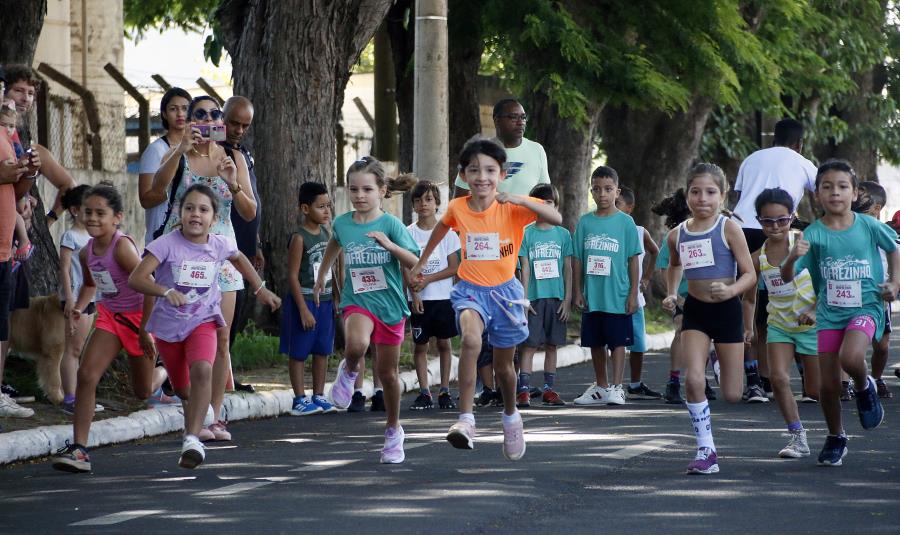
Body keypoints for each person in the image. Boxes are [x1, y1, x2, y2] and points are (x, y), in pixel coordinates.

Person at [411, 138, 562, 460]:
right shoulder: (457, 208)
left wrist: (520, 200)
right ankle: (466, 420)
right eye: (474, 170)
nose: (482, 177)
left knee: (506, 369)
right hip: (470, 290)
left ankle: (511, 416)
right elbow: (441, 230)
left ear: (502, 174)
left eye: (490, 170)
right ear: (463, 175)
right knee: (469, 339)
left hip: (506, 293)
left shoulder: (514, 206)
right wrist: (422, 262)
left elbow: (556, 217)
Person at [129, 184, 279, 468]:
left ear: (213, 218)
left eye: (203, 210)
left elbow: (239, 259)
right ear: (181, 213)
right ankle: (194, 414)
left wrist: (261, 290)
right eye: (189, 208)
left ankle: (192, 439)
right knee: (184, 389)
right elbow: (136, 278)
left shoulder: (219, 243)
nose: (195, 214)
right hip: (170, 328)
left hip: (204, 320)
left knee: (203, 369)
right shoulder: (166, 244)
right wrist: (164, 291)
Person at [152, 95, 256, 441]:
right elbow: (153, 192)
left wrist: (232, 181)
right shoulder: (178, 153)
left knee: (220, 335)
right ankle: (190, 412)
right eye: (201, 115)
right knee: (179, 332)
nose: (208, 121)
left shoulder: (233, 157)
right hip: (179, 253)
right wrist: (180, 151)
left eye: (214, 115)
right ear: (189, 120)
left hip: (220, 252)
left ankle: (213, 416)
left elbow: (249, 211)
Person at [781, 160, 899, 466]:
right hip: (830, 313)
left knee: (851, 357)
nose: (835, 192)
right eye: (827, 187)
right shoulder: (814, 234)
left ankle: (863, 385)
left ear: (855, 192)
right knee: (828, 386)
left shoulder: (869, 225)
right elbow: (786, 277)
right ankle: (836, 437)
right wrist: (793, 257)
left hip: (867, 306)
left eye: (842, 186)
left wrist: (894, 283)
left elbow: (894, 249)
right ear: (817, 194)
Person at [314, 157, 419, 462]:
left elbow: (414, 261)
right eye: (354, 189)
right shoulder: (343, 223)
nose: (360, 196)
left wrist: (390, 246)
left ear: (382, 191)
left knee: (387, 375)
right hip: (357, 300)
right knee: (357, 344)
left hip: (389, 305)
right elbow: (335, 243)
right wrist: (323, 275)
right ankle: (348, 371)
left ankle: (393, 430)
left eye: (367, 190)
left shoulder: (391, 224)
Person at [50, 185, 160, 472]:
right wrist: (78, 309)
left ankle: (167, 370)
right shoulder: (86, 252)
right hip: (111, 317)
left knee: (142, 390)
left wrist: (145, 330)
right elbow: (90, 284)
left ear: (117, 218)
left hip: (139, 318)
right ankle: (79, 449)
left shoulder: (121, 246)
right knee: (86, 375)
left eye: (101, 213)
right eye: (88, 212)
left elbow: (147, 286)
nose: (93, 218)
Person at [662, 163, 757, 475]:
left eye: (710, 192)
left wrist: (731, 291)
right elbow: (674, 265)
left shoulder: (729, 229)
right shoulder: (678, 234)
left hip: (727, 311)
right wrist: (673, 293)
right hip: (696, 312)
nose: (703, 198)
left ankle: (716, 356)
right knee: (693, 380)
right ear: (687, 195)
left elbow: (750, 275)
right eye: (695, 192)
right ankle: (706, 449)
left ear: (723, 195)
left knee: (732, 393)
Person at [733, 118, 818, 403]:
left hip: (745, 227)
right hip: (781, 227)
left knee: (753, 306)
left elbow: (740, 195)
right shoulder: (802, 161)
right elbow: (820, 195)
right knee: (792, 296)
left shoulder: (751, 158)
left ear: (773, 140)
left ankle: (758, 381)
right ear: (799, 143)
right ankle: (807, 379)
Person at [743, 188, 817, 459]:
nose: (775, 227)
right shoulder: (757, 257)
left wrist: (815, 310)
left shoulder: (804, 242)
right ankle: (797, 437)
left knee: (815, 389)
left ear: (792, 218)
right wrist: (749, 327)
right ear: (758, 220)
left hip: (812, 324)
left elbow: (827, 279)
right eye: (767, 221)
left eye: (781, 220)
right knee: (778, 378)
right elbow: (749, 298)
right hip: (780, 324)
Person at [572, 166, 641, 407]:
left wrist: (633, 292)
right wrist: (577, 291)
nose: (602, 194)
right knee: (595, 341)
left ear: (617, 191)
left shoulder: (626, 223)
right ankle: (600, 386)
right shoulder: (585, 222)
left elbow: (634, 258)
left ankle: (616, 386)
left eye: (608, 189)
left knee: (618, 342)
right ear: (591, 191)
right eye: (597, 189)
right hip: (593, 293)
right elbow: (577, 258)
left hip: (617, 293)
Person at [281, 182, 339, 415]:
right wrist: (303, 309)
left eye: (328, 206)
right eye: (321, 207)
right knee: (299, 351)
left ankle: (318, 395)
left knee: (322, 349)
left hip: (324, 301)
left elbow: (332, 270)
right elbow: (292, 277)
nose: (326, 211)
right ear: (305, 209)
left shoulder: (328, 234)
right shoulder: (299, 238)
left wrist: (335, 297)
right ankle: (299, 399)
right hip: (304, 301)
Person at [405, 180, 460, 411]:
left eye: (428, 199)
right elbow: (405, 266)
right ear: (413, 205)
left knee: (445, 344)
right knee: (420, 346)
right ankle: (425, 391)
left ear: (437, 203)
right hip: (418, 300)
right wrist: (414, 292)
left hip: (443, 298)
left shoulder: (447, 232)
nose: (423, 204)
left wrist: (428, 279)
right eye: (418, 200)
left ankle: (445, 390)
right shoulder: (407, 233)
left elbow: (454, 267)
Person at [222, 96, 264, 395]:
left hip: (246, 245)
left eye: (244, 125)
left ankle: (228, 377)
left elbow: (253, 203)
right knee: (226, 318)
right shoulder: (217, 154)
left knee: (237, 315)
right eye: (233, 123)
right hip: (225, 247)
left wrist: (256, 242)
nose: (238, 130)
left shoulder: (242, 151)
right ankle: (223, 380)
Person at [516, 183, 572, 407]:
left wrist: (568, 299)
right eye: (539, 204)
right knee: (529, 345)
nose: (544, 208)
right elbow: (525, 267)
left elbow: (567, 268)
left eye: (549, 204)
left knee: (552, 345)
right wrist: (524, 300)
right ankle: (523, 390)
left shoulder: (563, 234)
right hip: (534, 299)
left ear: (556, 206)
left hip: (556, 298)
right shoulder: (526, 233)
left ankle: (549, 389)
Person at [616, 186, 662, 400]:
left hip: (635, 297)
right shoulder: (604, 230)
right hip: (612, 296)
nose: (613, 208)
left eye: (618, 204)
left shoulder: (639, 231)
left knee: (637, 344)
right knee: (614, 342)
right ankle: (610, 384)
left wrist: (646, 278)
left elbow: (655, 252)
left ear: (630, 208)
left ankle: (635, 383)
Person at [453, 99, 550, 198]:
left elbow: (546, 196)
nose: (521, 122)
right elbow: (459, 199)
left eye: (523, 117)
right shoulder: (478, 152)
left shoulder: (537, 150)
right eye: (513, 117)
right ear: (496, 120)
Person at [57, 185, 96, 414]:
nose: (92, 214)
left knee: (80, 348)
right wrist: (70, 299)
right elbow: (64, 268)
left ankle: (80, 396)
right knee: (72, 349)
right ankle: (70, 398)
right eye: (87, 209)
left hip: (91, 298)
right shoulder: (70, 236)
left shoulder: (92, 236)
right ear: (74, 210)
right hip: (74, 298)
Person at [853, 181, 894, 399]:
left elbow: (894, 256)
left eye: (862, 197)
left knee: (882, 344)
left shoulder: (885, 232)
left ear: (877, 207)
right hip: (849, 293)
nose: (856, 201)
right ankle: (845, 381)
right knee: (847, 340)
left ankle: (877, 378)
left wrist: (893, 283)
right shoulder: (844, 228)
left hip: (878, 295)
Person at [652, 189, 692, 405]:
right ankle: (674, 382)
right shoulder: (674, 235)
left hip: (703, 295)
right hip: (680, 296)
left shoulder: (713, 232)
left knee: (702, 337)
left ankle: (699, 377)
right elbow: (662, 268)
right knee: (681, 331)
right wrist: (674, 295)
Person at [138, 87, 192, 243]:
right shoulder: (156, 150)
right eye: (173, 109)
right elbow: (146, 199)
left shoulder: (198, 149)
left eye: (185, 108)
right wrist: (174, 186)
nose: (180, 114)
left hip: (190, 234)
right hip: (161, 235)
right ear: (164, 114)